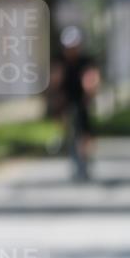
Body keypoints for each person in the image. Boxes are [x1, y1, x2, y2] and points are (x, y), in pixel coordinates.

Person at [51, 26, 100, 181]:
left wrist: (90, 89)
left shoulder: (86, 61)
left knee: (84, 131)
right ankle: (68, 149)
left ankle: (85, 159)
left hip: (81, 98)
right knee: (66, 127)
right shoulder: (59, 60)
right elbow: (55, 80)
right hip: (66, 99)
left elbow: (92, 77)